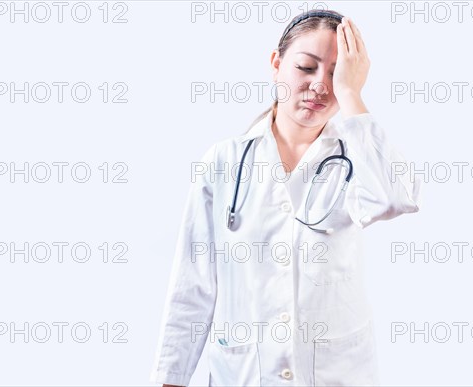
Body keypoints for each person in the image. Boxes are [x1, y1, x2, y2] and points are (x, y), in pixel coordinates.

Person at [150, 9, 422, 387]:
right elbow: (193, 285)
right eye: (306, 68)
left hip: (336, 375)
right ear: (276, 64)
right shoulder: (225, 161)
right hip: (243, 374)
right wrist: (172, 380)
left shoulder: (356, 155)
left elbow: (395, 199)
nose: (320, 86)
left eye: (335, 73)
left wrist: (351, 94)